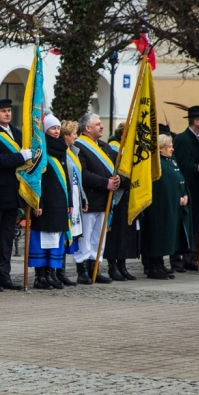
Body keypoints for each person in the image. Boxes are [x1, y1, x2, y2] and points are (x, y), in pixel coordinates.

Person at [0, 98, 33, 290]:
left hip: (13, 193)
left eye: (9, 110)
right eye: (3, 111)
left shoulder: (18, 133)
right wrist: (20, 157)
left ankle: (4, 275)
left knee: (8, 238)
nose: (8, 114)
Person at [71, 112, 122, 284]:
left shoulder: (105, 147)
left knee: (99, 238)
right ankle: (83, 270)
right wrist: (104, 183)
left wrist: (117, 180)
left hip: (105, 201)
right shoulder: (79, 147)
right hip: (89, 200)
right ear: (87, 128)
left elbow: (115, 168)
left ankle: (95, 268)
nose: (102, 126)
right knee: (85, 238)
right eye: (98, 124)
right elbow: (82, 173)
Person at [29, 115, 72, 289]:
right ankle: (40, 276)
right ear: (45, 130)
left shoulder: (62, 149)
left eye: (57, 129)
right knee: (42, 239)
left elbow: (66, 177)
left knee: (55, 239)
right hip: (45, 202)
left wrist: (69, 202)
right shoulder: (41, 149)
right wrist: (38, 203)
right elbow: (36, 178)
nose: (55, 132)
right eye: (52, 128)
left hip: (60, 201)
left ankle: (51, 273)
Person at [140, 135, 190, 279]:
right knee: (157, 236)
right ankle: (153, 266)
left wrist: (184, 194)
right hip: (159, 207)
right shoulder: (155, 164)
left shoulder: (170, 161)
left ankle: (160, 264)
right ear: (160, 149)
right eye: (169, 147)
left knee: (165, 236)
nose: (172, 149)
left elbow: (180, 180)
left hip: (172, 206)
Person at [103, 122, 140, 281]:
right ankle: (113, 266)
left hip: (128, 197)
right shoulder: (113, 150)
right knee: (116, 234)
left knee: (126, 233)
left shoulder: (128, 150)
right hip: (116, 198)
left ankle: (122, 265)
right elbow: (115, 173)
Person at [172, 105, 199, 270]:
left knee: (196, 223)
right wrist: (197, 167)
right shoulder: (182, 139)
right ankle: (177, 258)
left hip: (198, 187)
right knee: (183, 222)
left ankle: (192, 257)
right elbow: (179, 164)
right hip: (185, 187)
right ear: (196, 121)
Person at [60, 120, 87, 284]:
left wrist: (83, 198)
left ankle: (63, 271)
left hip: (76, 197)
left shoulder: (73, 151)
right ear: (66, 136)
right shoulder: (62, 152)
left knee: (73, 235)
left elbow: (78, 178)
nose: (76, 136)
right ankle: (59, 270)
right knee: (63, 235)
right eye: (74, 134)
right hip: (67, 198)